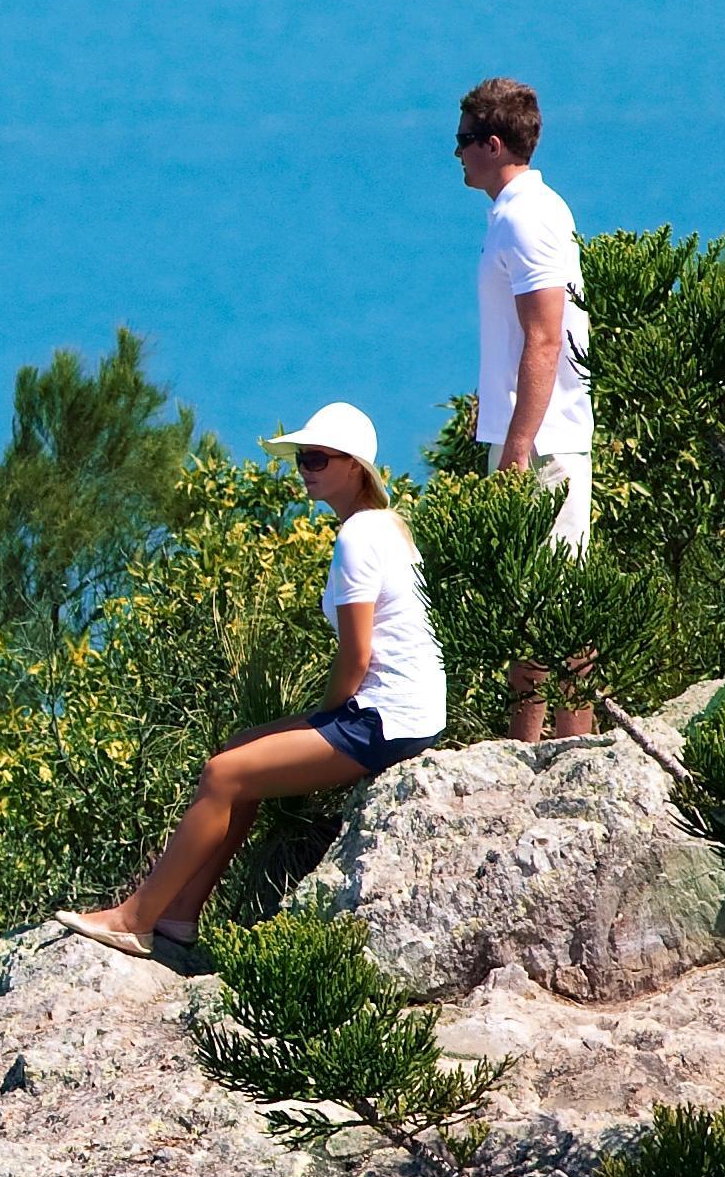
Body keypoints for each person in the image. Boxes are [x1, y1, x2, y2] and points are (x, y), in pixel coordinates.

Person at [63, 403, 445, 966]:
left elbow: (357, 654)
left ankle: (135, 918)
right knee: (238, 754)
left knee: (222, 774)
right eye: (300, 459)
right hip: (403, 713)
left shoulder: (358, 537)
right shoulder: (382, 526)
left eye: (316, 458)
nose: (304, 469)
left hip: (383, 720)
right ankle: (179, 914)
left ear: (354, 467)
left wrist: (324, 714)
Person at [459, 74, 600, 741]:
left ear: (492, 143)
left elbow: (546, 336)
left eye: (463, 142)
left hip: (543, 444)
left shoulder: (523, 218)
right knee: (539, 601)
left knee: (548, 604)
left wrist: (517, 445)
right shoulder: (523, 212)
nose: (455, 154)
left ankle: (556, 750)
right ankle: (549, 746)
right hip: (536, 432)